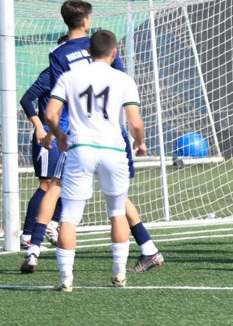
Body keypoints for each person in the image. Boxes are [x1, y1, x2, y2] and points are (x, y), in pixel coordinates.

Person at [21, 0, 162, 275]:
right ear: (86, 20)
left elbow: (60, 98)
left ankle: (35, 248)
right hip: (113, 135)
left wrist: (53, 133)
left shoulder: (59, 54)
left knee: (56, 188)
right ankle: (143, 251)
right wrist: (138, 139)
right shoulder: (104, 46)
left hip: (78, 134)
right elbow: (118, 83)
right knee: (117, 199)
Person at [45, 30, 146, 291]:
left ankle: (66, 279)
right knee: (117, 212)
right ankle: (119, 273)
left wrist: (59, 135)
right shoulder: (123, 79)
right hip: (113, 149)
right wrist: (140, 142)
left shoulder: (70, 76)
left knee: (69, 216)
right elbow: (135, 122)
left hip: (81, 149)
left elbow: (51, 113)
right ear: (114, 53)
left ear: (89, 52)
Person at [18, 35, 68, 250]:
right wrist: (39, 126)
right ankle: (28, 235)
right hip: (49, 137)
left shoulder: (75, 77)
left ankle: (52, 224)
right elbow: (26, 99)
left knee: (68, 184)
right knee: (47, 184)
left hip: (68, 137)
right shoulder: (50, 75)